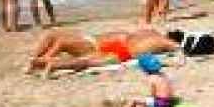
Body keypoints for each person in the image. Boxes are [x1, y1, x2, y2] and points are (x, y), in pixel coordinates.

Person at [25, 28, 178, 74]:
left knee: (87, 59)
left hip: (113, 45)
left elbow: (174, 46)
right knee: (88, 61)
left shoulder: (150, 33)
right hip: (120, 49)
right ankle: (44, 62)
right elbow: (176, 47)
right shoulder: (157, 39)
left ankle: (41, 61)